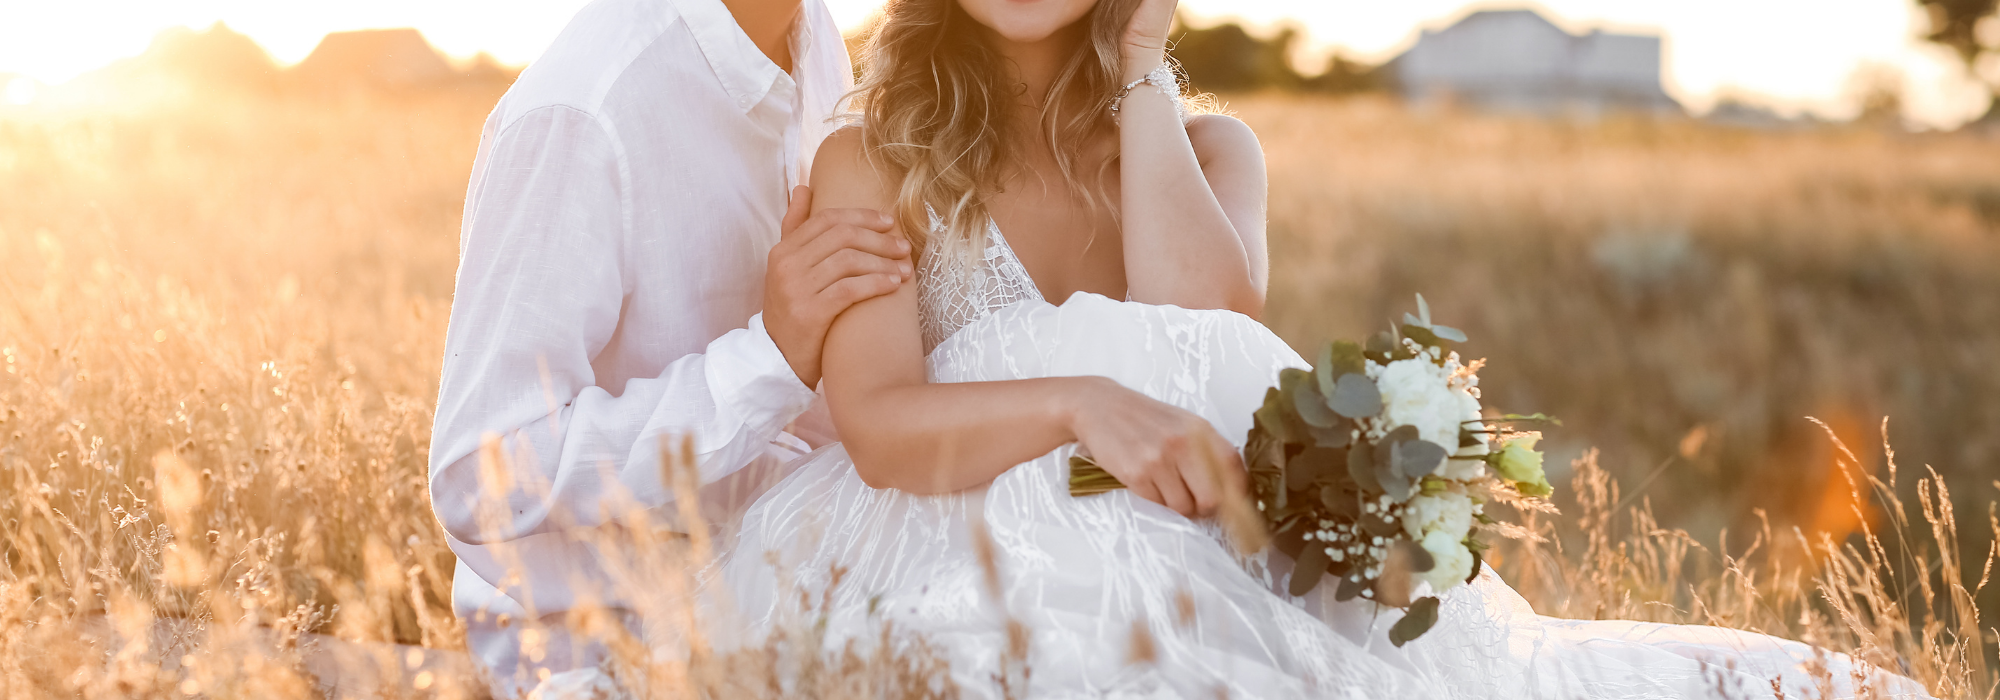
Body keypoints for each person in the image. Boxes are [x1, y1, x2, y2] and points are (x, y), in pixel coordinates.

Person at [713, 0, 1941, 697]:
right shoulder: (873, 156)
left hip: (1190, 540)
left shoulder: (1210, 151)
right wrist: (1080, 403)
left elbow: (1204, 310)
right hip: (955, 541)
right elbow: (875, 427)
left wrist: (1140, 67)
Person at [424, 0, 905, 694]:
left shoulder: (811, 36)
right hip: (604, 640)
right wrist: (769, 360)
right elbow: (480, 473)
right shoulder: (585, 106)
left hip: (783, 558)